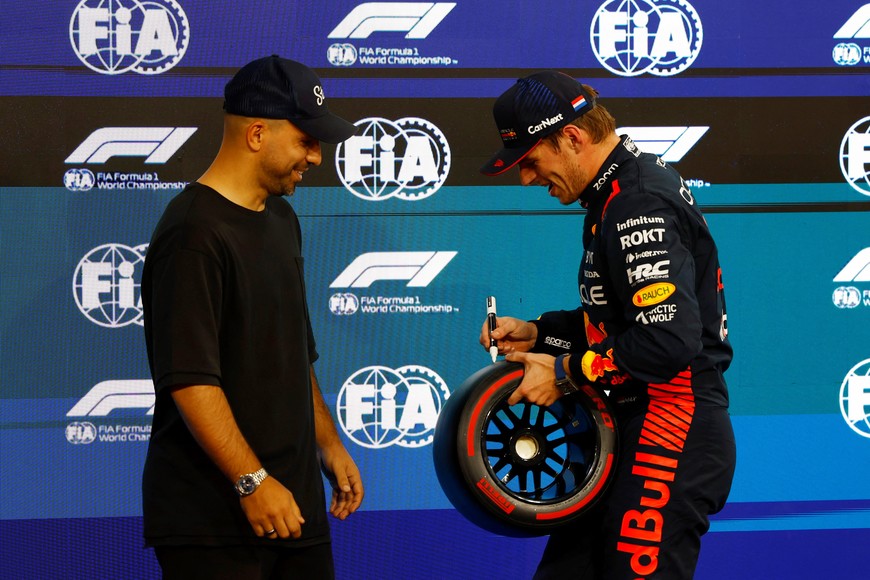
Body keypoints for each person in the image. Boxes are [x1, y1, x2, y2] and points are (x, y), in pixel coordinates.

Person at [478, 71, 736, 579]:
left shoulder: (637, 202)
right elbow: (627, 323)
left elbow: (667, 340)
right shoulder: (614, 196)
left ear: (572, 137)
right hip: (625, 428)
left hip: (671, 426)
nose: (527, 179)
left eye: (531, 161)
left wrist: (564, 372)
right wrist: (540, 333)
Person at [141, 55, 364, 579]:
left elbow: (293, 350)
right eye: (306, 140)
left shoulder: (282, 218)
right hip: (216, 519)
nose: (316, 157)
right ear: (257, 133)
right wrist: (252, 482)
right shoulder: (192, 233)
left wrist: (327, 443)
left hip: (293, 505)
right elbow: (191, 379)